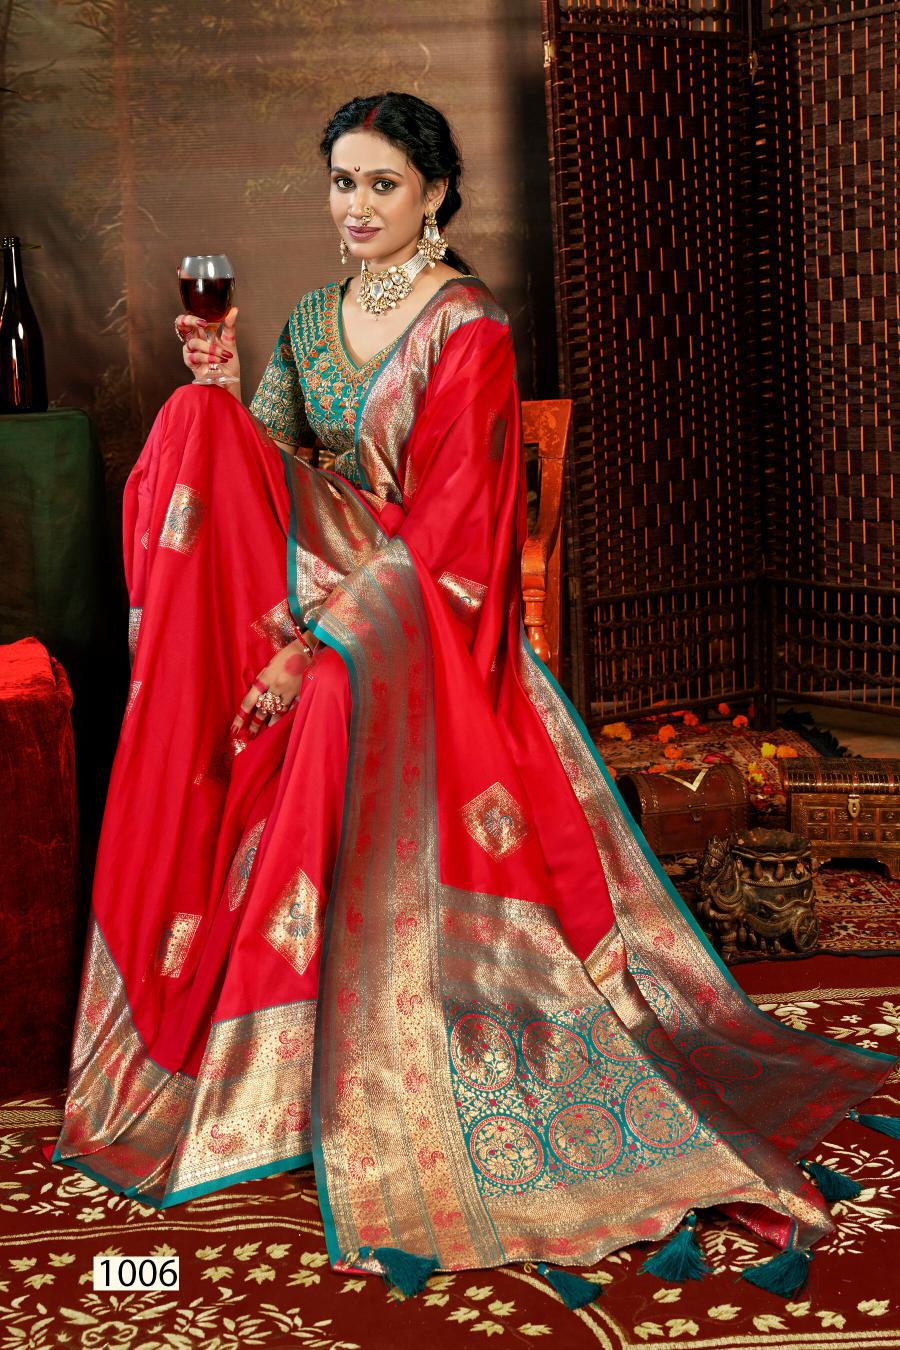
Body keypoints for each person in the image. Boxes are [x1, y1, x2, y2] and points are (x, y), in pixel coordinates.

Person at [43, 91, 894, 1301]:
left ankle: (346, 1041)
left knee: (322, 704)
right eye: (342, 181)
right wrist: (224, 391)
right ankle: (232, 1021)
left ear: (436, 193)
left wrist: (316, 644)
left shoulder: (469, 329)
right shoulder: (311, 317)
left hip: (421, 607)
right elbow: (266, 476)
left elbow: (454, 531)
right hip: (324, 564)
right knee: (189, 422)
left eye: (382, 184)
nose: (356, 206)